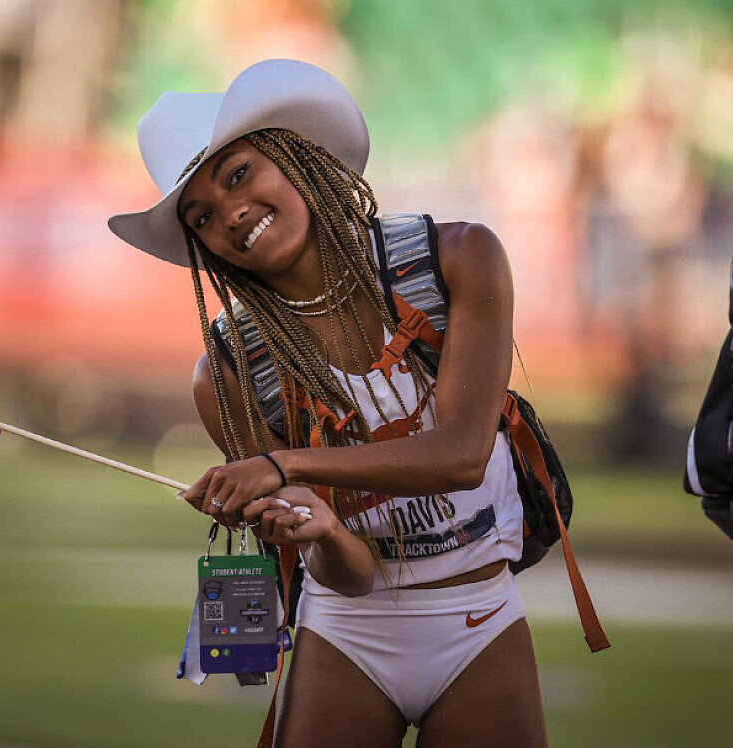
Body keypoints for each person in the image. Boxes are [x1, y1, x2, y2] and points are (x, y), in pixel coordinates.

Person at [109, 59, 547, 748]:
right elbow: (349, 573)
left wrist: (283, 466)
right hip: (345, 632)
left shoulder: (460, 256)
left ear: (291, 154)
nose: (231, 212)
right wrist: (323, 532)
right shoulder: (226, 372)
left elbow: (464, 456)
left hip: (478, 615)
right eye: (203, 216)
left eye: (237, 174)